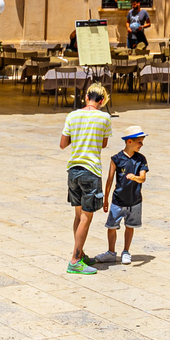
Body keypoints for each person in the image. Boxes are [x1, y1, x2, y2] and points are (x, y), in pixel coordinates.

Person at [60, 82, 114, 274]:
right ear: (101, 101)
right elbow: (104, 144)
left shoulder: (72, 116)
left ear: (85, 98)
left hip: (73, 169)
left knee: (78, 215)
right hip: (90, 170)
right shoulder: (104, 117)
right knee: (86, 217)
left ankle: (80, 253)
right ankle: (75, 260)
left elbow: (63, 144)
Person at [100, 124, 149, 266]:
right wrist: (106, 199)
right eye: (139, 142)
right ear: (129, 141)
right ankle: (111, 251)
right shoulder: (116, 159)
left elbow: (143, 178)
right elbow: (109, 180)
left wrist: (135, 177)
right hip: (117, 200)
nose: (141, 145)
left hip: (135, 200)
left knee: (130, 226)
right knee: (112, 226)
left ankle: (126, 251)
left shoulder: (141, 159)